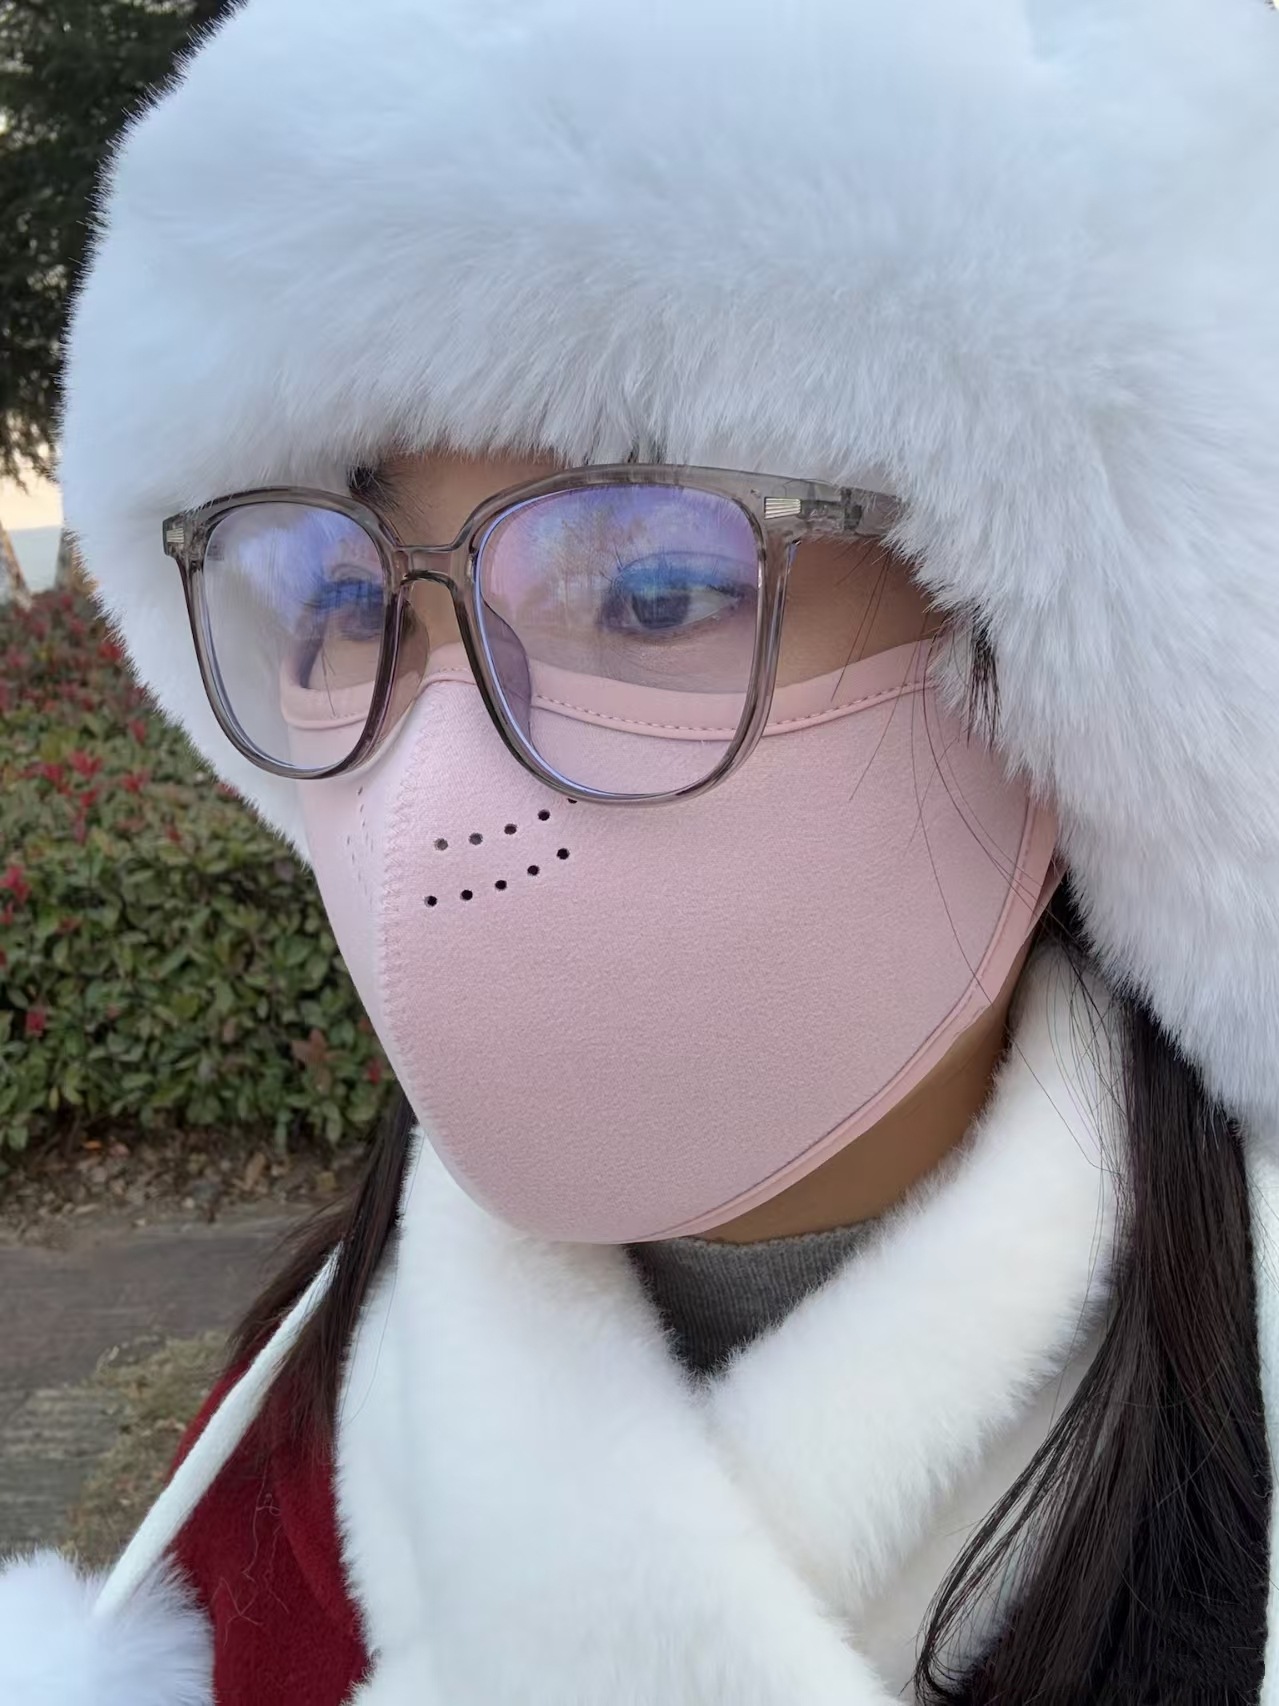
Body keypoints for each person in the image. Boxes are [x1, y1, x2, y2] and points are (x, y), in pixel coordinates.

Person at [3, 0, 1279, 1700]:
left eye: (656, 584)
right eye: (338, 596)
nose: (437, 778)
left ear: (1058, 660)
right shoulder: (268, 1473)